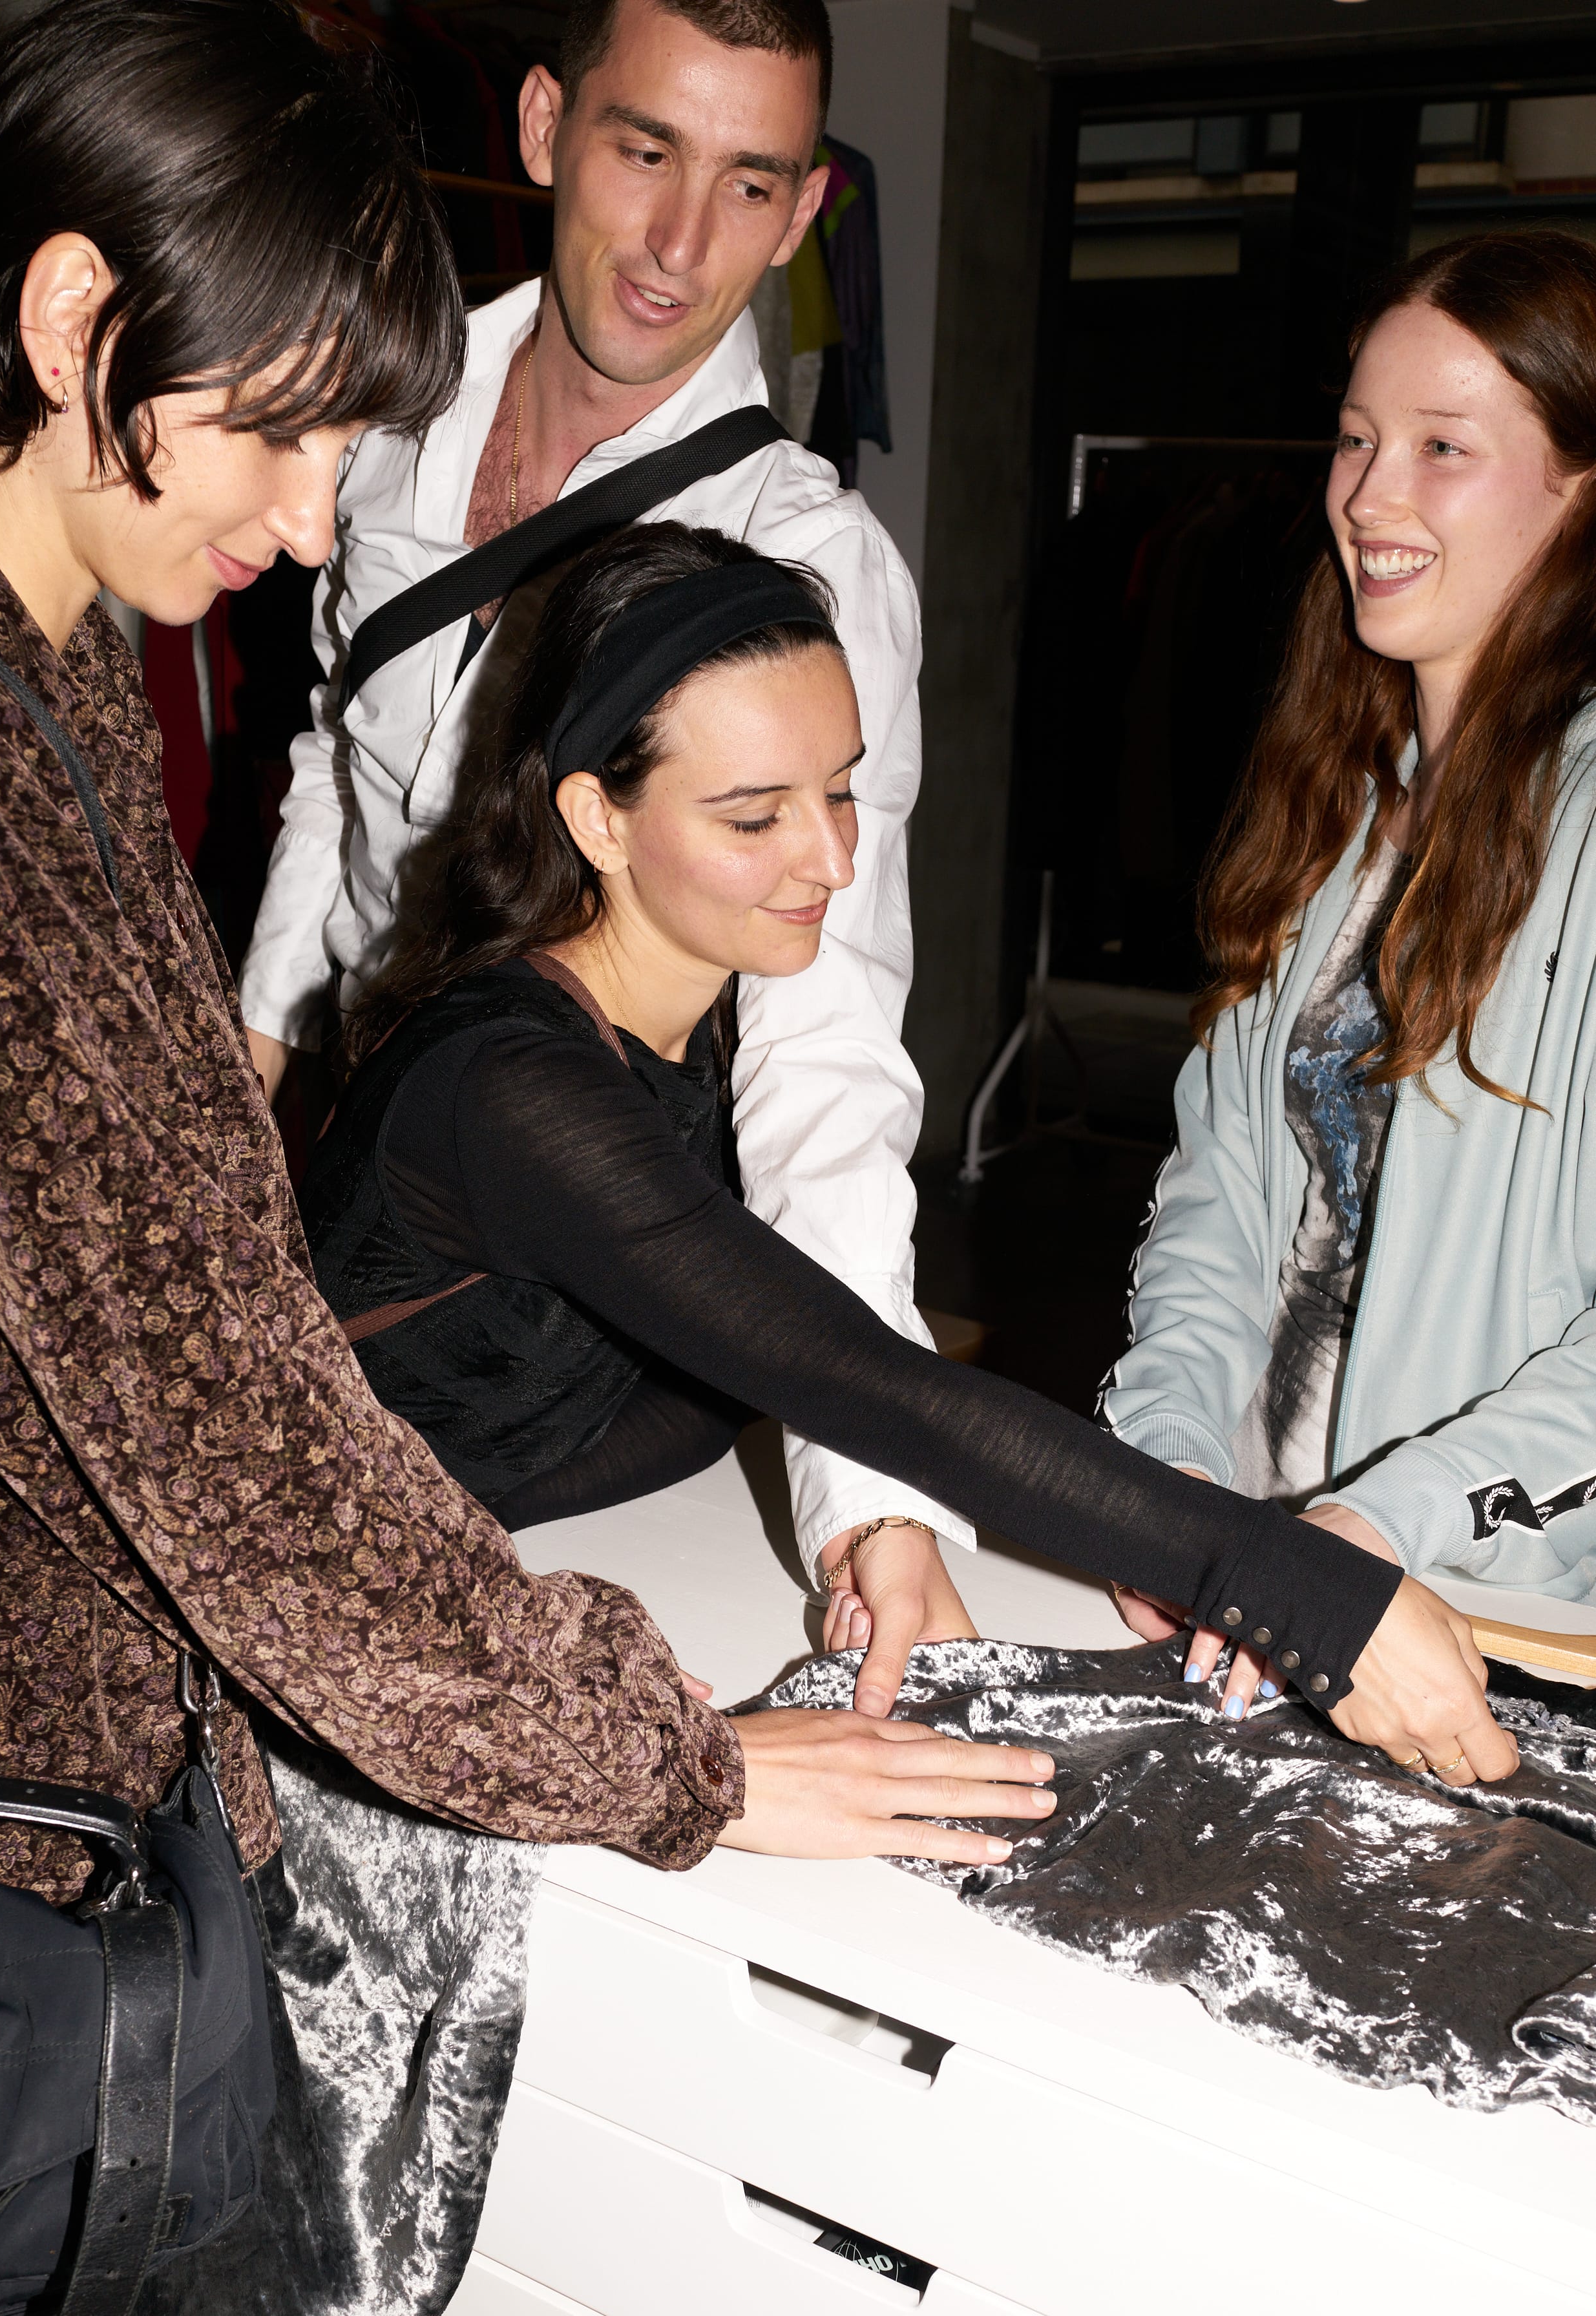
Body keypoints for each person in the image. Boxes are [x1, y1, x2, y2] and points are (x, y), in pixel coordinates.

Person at [0, 8, 1063, 2316]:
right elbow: (223, 1461)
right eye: (285, 437)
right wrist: (682, 1766)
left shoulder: (12, 611)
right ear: (81, 322)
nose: (318, 522)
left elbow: (826, 1079)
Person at [301, 515, 1511, 1798]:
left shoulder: (717, 1024)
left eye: (840, 791)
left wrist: (858, 1520)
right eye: (754, 817)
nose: (830, 860)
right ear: (598, 819)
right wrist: (1305, 1595)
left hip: (502, 1597)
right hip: (315, 1677)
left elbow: (765, 1363)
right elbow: (854, 1376)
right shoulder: (512, 1088)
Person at [238, 0, 974, 1723]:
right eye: (644, 152)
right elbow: (333, 765)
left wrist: (874, 1495)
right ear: (545, 123)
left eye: (745, 186)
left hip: (559, 1288)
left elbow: (826, 1048)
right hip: (356, 1192)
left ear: (801, 219)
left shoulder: (799, 560)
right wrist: (251, 1059)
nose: (675, 243)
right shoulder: (389, 414)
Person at [1104, 230, 1596, 1724]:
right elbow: (1225, 1184)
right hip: (1254, 1609)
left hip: (1493, 1637)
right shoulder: (1342, 796)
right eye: (1358, 439)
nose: (1369, 497)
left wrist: (1383, 1532)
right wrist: (1167, 1473)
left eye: (1444, 447)